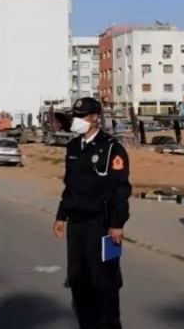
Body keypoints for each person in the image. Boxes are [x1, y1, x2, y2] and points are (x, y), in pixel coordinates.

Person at [53, 97, 132, 328]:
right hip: (77, 223)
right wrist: (61, 215)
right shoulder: (73, 147)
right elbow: (70, 186)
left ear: (95, 117)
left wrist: (117, 224)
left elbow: (120, 189)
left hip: (102, 224)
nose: (77, 120)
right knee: (78, 279)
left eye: (82, 116)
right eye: (75, 116)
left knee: (105, 281)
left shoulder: (112, 148)